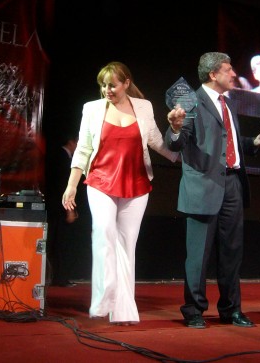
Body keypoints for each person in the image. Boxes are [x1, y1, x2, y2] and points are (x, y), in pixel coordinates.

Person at [165, 52, 260, 329]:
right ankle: (193, 311)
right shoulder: (190, 102)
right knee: (198, 256)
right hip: (203, 186)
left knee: (232, 253)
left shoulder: (228, 104)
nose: (233, 74)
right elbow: (175, 144)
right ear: (213, 75)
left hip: (233, 185)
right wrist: (175, 128)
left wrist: (256, 143)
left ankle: (231, 310)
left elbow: (231, 143)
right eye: (228, 70)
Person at [62, 61, 179, 324]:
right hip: (100, 181)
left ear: (126, 83)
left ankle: (124, 310)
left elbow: (157, 141)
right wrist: (71, 184)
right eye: (103, 85)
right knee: (103, 231)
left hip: (136, 183)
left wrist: (182, 155)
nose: (107, 90)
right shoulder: (92, 109)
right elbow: (82, 149)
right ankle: (104, 297)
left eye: (112, 85)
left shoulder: (143, 107)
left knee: (127, 245)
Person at [46, 132, 87, 287]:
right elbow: (61, 186)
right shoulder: (61, 158)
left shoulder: (63, 157)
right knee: (60, 244)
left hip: (58, 207)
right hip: (59, 208)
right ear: (72, 142)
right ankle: (59, 278)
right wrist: (69, 210)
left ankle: (59, 277)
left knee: (60, 244)